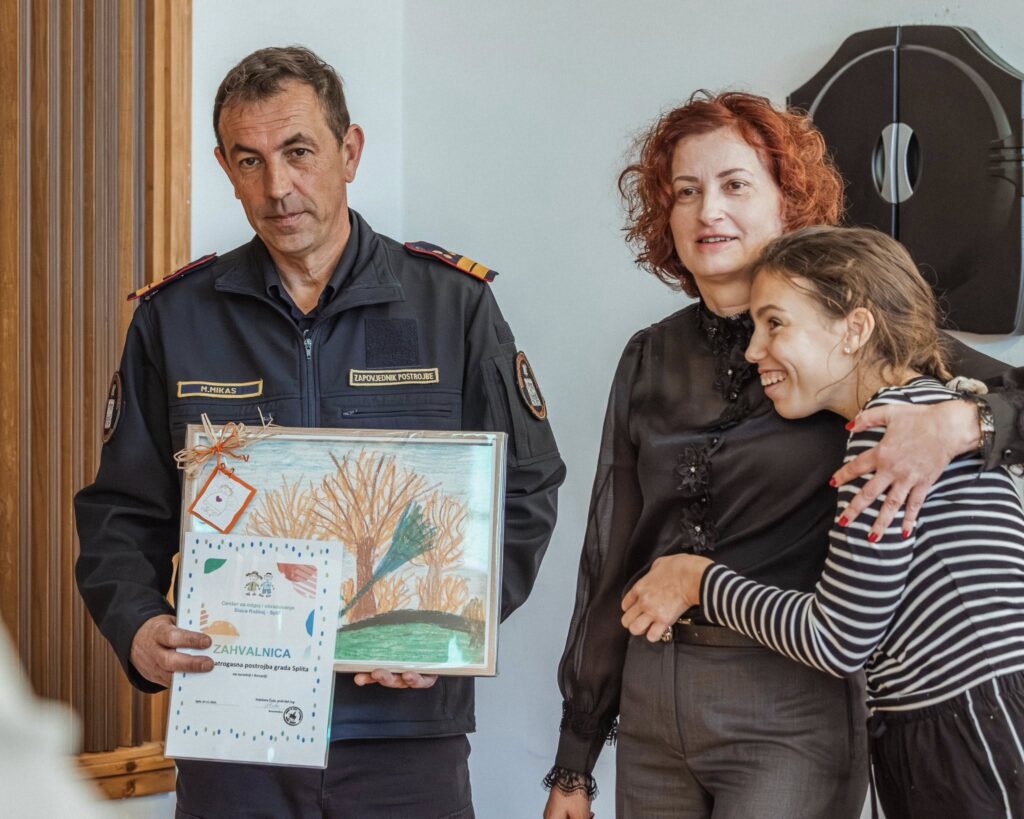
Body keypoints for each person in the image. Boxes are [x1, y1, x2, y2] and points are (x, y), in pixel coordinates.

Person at [74, 46, 565, 819]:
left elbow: (526, 489)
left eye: (298, 151)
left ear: (350, 151)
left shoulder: (453, 307)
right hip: (235, 731)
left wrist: (458, 629)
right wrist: (135, 623)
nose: (278, 186)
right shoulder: (175, 319)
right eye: (250, 160)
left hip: (405, 736)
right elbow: (119, 512)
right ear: (226, 169)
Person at [543, 91, 1024, 819]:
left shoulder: (851, 340)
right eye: (686, 191)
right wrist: (575, 760)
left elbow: (990, 404)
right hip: (654, 693)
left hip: (793, 694)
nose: (708, 211)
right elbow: (612, 555)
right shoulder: (648, 355)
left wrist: (963, 422)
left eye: (735, 184)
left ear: (788, 204)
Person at [638, 225, 1024, 819]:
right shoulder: (935, 406)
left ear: (855, 329)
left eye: (775, 323)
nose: (753, 351)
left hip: (968, 728)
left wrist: (697, 581)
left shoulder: (889, 432)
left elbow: (837, 638)